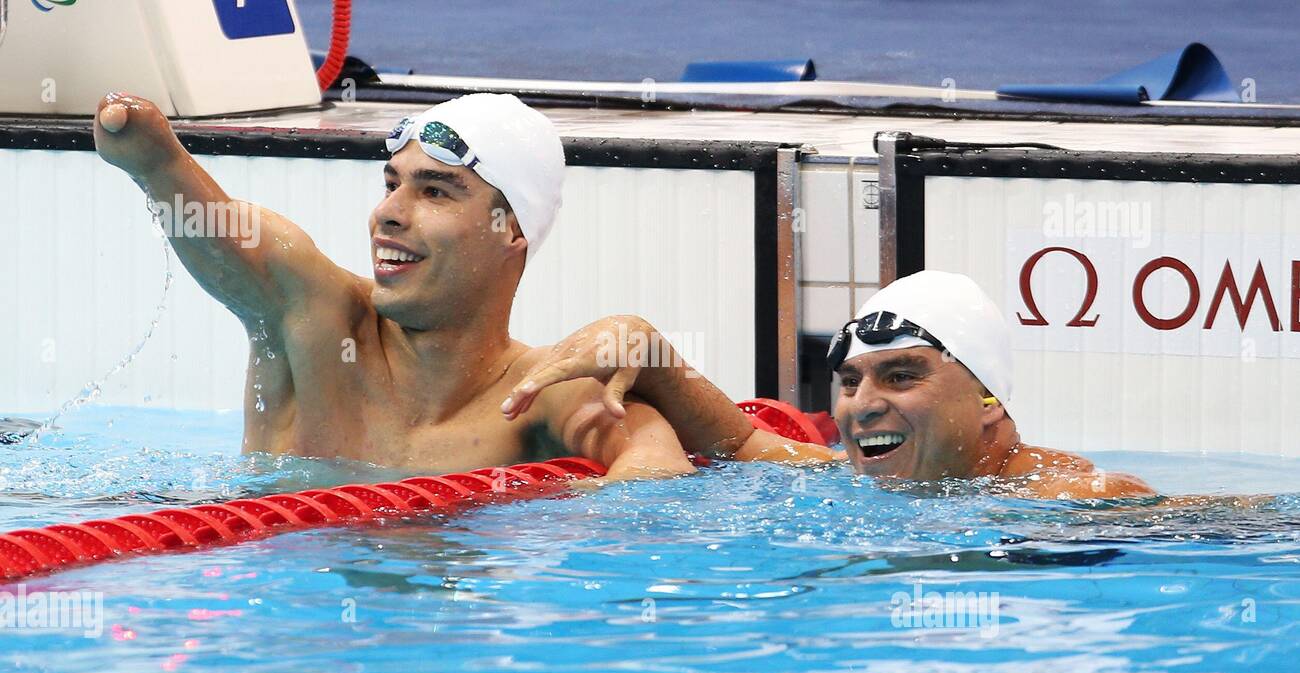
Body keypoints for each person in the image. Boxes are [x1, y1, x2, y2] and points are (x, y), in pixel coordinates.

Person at [92, 92, 694, 480]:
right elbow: (231, 240)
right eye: (391, 184)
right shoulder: (315, 320)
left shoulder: (543, 394)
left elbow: (655, 475)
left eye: (434, 191)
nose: (389, 213)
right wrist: (157, 162)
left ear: (511, 228)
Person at [501, 271, 1153, 499]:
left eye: (901, 375)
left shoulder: (1075, 498)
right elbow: (741, 442)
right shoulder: (852, 475)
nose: (864, 406)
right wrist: (644, 345)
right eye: (848, 381)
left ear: (989, 400)